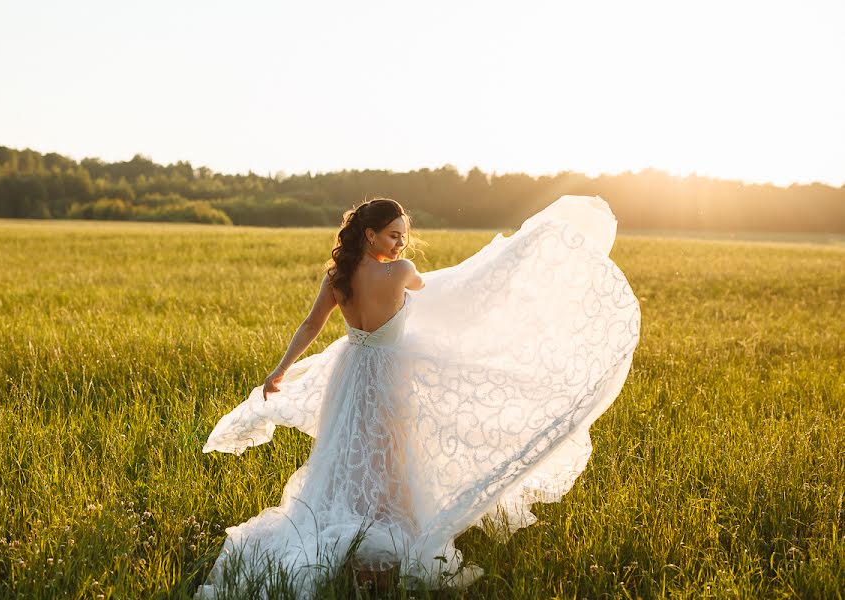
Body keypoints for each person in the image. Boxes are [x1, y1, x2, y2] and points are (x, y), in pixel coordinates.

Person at [195, 195, 641, 600]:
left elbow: (310, 327)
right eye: (393, 235)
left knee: (350, 455)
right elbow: (448, 293)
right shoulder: (402, 273)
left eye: (404, 236)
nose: (401, 244)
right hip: (389, 375)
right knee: (391, 458)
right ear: (370, 234)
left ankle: (356, 538)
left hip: (351, 374)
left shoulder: (339, 277)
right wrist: (501, 263)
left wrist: (281, 369)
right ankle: (386, 547)